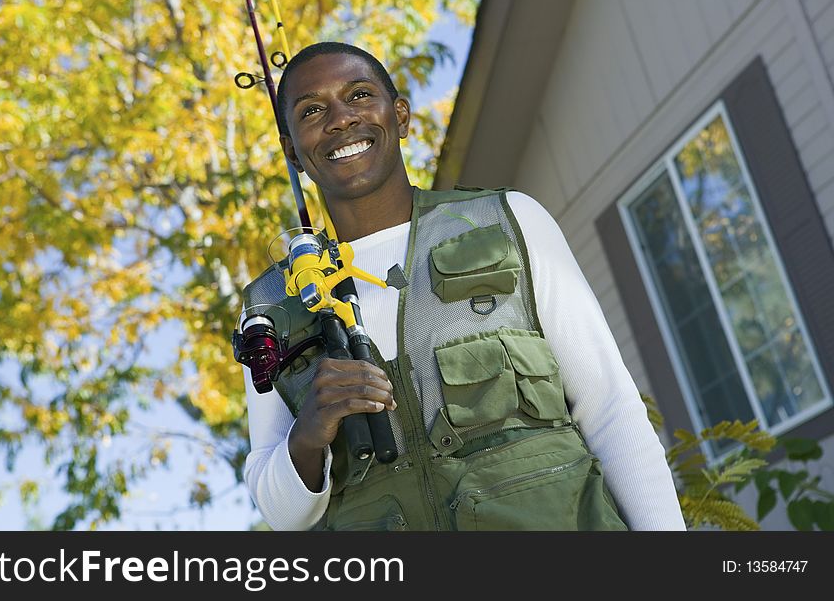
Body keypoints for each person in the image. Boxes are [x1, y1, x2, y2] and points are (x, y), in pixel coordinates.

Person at [241, 41, 685, 531]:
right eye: (312, 110)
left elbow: (611, 412)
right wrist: (308, 436)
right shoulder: (271, 305)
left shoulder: (509, 220)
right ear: (292, 151)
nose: (341, 119)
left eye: (361, 95)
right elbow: (282, 515)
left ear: (401, 116)